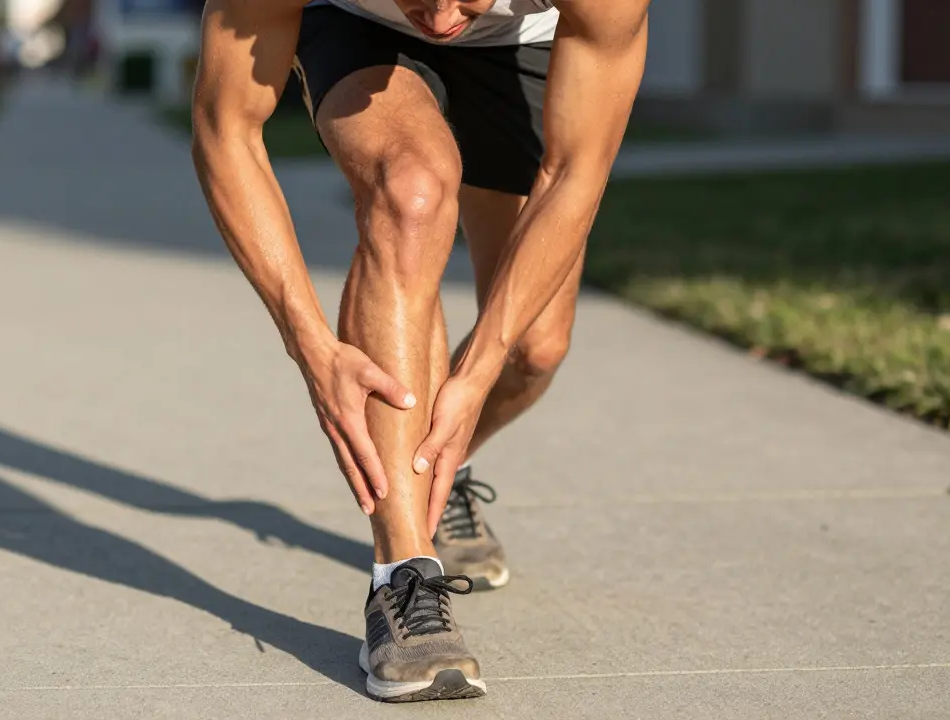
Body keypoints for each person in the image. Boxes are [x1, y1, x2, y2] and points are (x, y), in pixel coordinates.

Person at [190, 0, 649, 703]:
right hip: (354, 25)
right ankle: (404, 575)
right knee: (410, 192)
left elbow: (575, 171)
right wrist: (311, 343)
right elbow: (226, 129)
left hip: (529, 44)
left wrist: (481, 364)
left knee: (535, 347)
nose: (437, 19)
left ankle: (442, 464)